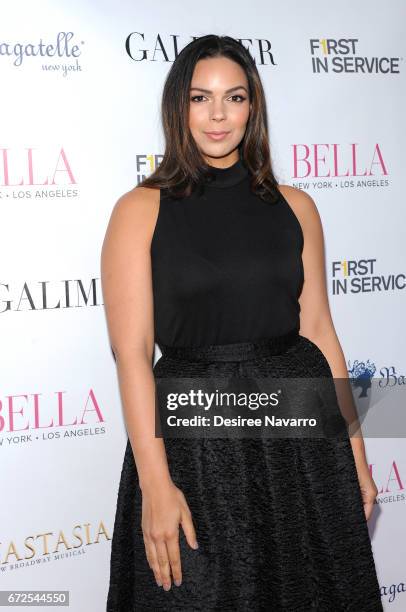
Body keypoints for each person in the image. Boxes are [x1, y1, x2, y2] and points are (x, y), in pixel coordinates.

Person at [102, 34, 383, 611]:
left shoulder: (296, 204)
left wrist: (355, 455)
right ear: (178, 106)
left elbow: (321, 332)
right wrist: (156, 484)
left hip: (299, 440)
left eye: (234, 97)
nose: (218, 115)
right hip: (196, 441)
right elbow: (131, 354)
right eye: (201, 98)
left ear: (253, 106)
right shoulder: (140, 210)